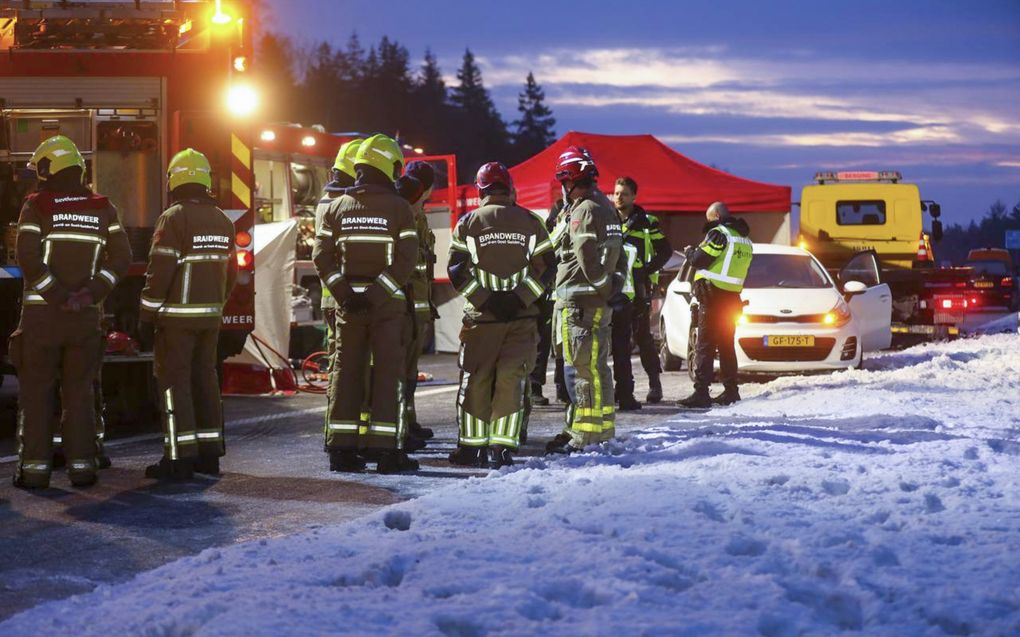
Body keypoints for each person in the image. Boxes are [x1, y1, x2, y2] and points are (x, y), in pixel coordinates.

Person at [11, 135, 130, 489]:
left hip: (41, 321)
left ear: (52, 167)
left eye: (41, 168)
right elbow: (121, 260)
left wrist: (58, 295)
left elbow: (27, 258)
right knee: (79, 394)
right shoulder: (104, 208)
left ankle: (34, 473)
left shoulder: (36, 206)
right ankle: (82, 469)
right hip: (84, 320)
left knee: (36, 395)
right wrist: (90, 293)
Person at [313, 134, 419, 474]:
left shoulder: (336, 207)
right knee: (389, 375)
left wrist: (344, 292)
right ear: (387, 166)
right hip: (386, 308)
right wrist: (375, 294)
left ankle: (341, 451)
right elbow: (407, 261)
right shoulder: (400, 208)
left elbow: (321, 256)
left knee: (346, 373)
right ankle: (388, 452)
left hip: (348, 308)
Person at [448, 162, 554, 467]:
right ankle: (502, 448)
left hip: (481, 320)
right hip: (522, 319)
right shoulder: (532, 221)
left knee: (475, 379)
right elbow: (548, 268)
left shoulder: (468, 223)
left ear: (481, 189)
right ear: (509, 189)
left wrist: (486, 299)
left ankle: (470, 448)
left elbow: (456, 270)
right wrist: (519, 299)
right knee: (512, 380)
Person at [139, 149, 237, 480]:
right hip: (210, 319)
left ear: (175, 179)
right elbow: (231, 275)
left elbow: (159, 272)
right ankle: (209, 455)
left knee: (175, 384)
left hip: (176, 321)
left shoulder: (174, 217)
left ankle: (178, 459)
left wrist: (147, 314)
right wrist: (215, 304)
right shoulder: (223, 219)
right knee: (205, 380)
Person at [544, 147, 626, 455]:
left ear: (571, 180)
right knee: (595, 368)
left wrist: (604, 288)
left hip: (579, 301)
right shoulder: (606, 206)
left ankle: (584, 435)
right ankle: (602, 430)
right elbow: (620, 257)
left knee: (579, 370)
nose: (564, 190)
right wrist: (612, 290)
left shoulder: (584, 210)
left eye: (564, 183)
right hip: (595, 302)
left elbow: (587, 260)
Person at [679, 201, 753, 408]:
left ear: (717, 216)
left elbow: (699, 261)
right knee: (727, 345)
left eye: (709, 219)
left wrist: (689, 252)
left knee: (705, 345)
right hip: (732, 299)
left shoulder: (719, 233)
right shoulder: (745, 239)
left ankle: (701, 393)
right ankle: (731, 391)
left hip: (713, 298)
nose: (708, 224)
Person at [317, 139, 361, 444]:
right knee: (345, 368)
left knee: (341, 364)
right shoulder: (340, 203)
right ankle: (339, 433)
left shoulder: (326, 201)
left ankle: (340, 431)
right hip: (346, 298)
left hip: (333, 296)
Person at [613, 176, 672, 405]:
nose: (619, 197)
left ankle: (654, 384)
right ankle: (623, 389)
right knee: (618, 341)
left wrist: (647, 270)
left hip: (638, 289)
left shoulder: (647, 222)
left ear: (634, 197)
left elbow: (665, 251)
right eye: (616, 193)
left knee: (643, 338)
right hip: (615, 288)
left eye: (624, 194)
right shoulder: (607, 219)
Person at [399, 160, 439, 445]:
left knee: (409, 368)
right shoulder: (405, 212)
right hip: (405, 303)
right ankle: (400, 425)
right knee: (400, 369)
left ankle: (409, 421)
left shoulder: (418, 214)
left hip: (417, 304)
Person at [529, 198, 569, 407]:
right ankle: (535, 386)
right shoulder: (555, 217)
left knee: (562, 344)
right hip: (548, 294)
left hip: (566, 292)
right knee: (543, 342)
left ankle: (562, 389)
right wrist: (562, 224)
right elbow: (548, 250)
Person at [610, 240, 642, 410]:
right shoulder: (631, 248)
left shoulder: (598, 244)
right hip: (625, 302)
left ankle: (600, 396)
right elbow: (638, 275)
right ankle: (625, 395)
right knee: (622, 353)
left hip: (604, 301)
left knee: (596, 354)